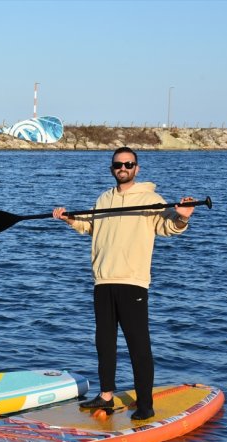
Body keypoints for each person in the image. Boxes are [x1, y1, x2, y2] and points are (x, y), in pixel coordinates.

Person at [52, 146, 196, 420]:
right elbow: (90, 226)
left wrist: (182, 217)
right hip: (102, 281)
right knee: (104, 343)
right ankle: (106, 396)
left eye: (128, 164)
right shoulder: (104, 198)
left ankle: (145, 404)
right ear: (112, 168)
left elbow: (167, 226)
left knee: (137, 346)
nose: (123, 168)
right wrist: (69, 218)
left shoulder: (151, 198)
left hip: (133, 282)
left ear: (136, 168)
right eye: (118, 164)